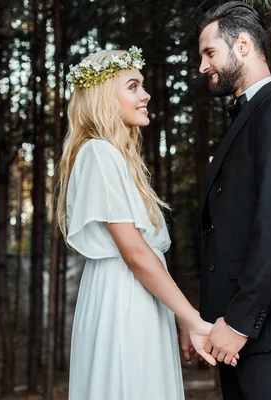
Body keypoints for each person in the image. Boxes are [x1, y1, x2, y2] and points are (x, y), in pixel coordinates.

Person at [56, 47, 231, 400]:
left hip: (141, 296)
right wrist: (193, 318)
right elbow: (135, 253)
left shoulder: (116, 156)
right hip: (122, 299)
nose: (146, 94)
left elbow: (144, 255)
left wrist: (177, 315)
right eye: (133, 86)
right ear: (105, 97)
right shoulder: (98, 153)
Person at [195, 3, 271, 399]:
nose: (202, 66)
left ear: (243, 45)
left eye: (209, 52)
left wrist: (239, 323)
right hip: (238, 334)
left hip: (267, 333)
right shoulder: (247, 117)